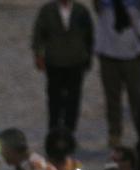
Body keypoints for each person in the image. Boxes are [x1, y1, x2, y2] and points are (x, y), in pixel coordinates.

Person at [31, 0, 94, 132]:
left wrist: (88, 58)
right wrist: (38, 55)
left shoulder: (81, 10)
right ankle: (54, 130)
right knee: (54, 99)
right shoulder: (47, 10)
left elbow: (89, 36)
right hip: (55, 62)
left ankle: (69, 131)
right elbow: (38, 34)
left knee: (73, 99)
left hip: (76, 61)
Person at [93, 0, 140, 147]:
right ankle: (114, 133)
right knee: (112, 98)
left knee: (137, 98)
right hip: (109, 53)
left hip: (132, 53)